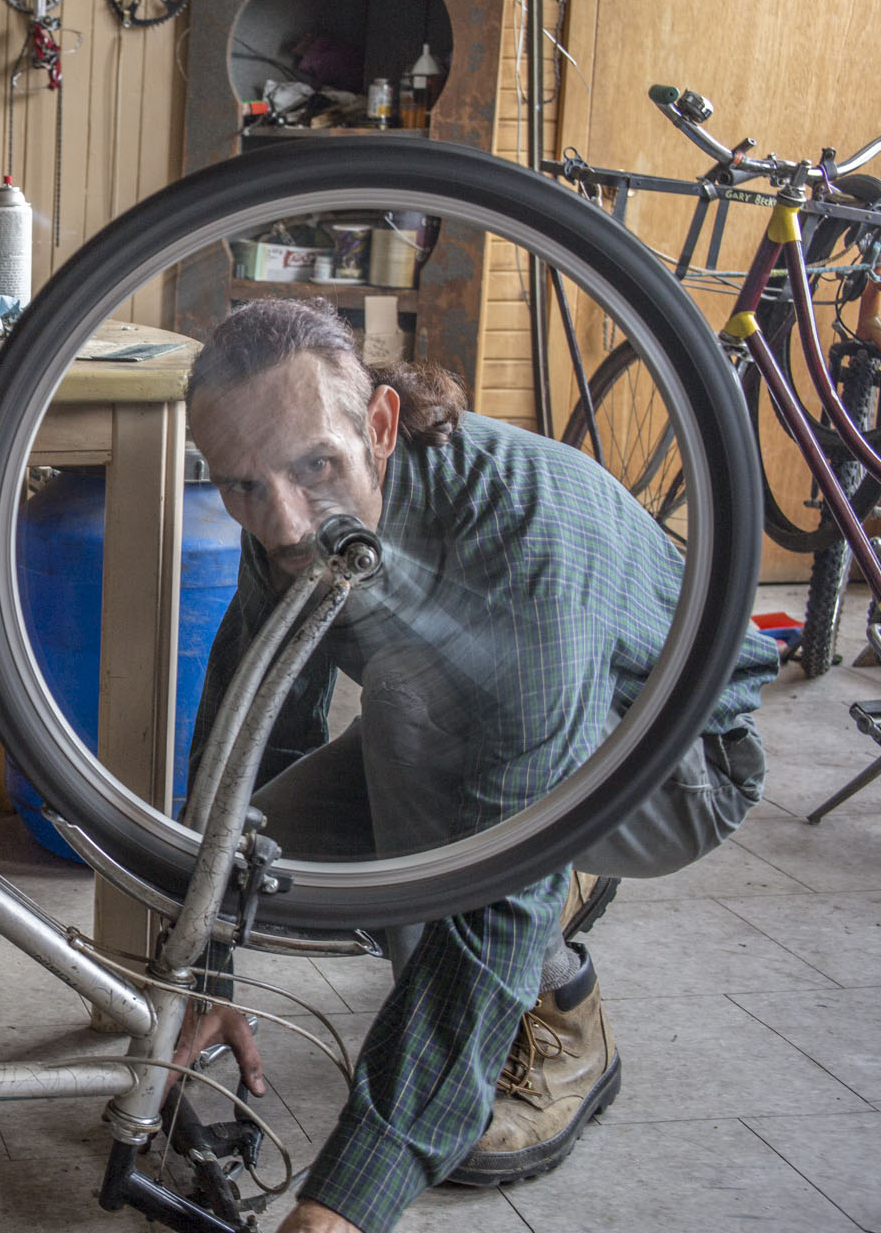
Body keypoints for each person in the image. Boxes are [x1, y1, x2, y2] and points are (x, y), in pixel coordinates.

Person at [170, 298, 777, 1233]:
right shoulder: (284, 519)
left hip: (683, 768)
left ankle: (561, 1013)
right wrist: (202, 973)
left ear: (377, 425)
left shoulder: (518, 531)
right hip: (495, 732)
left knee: (423, 729)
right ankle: (511, 888)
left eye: (314, 467)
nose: (284, 521)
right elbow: (245, 734)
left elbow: (495, 885)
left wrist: (342, 1206)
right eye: (241, 486)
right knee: (282, 853)